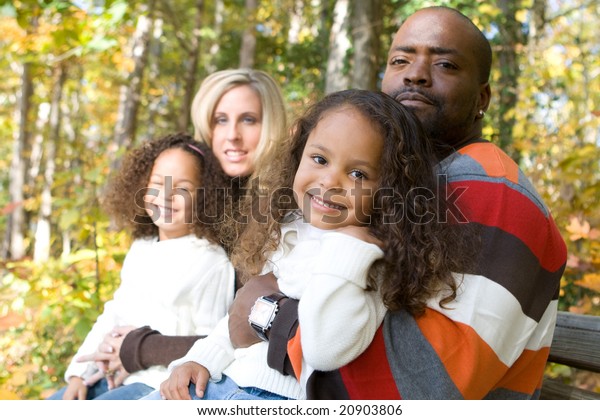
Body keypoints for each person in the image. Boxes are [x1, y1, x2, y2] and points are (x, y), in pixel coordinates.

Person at [227, 6, 568, 399]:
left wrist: (267, 315)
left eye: (445, 64)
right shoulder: (406, 184)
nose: (416, 73)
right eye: (400, 60)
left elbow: (424, 386)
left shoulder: (490, 187)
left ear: (483, 97)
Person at [148, 89, 473, 401]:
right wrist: (198, 361)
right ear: (298, 156)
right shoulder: (289, 228)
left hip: (274, 397)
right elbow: (235, 321)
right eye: (319, 159)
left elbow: (323, 350)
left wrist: (351, 247)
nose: (330, 181)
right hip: (227, 380)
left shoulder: (368, 260)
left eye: (358, 174)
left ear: (389, 192)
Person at [73, 69, 289, 392]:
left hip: (235, 382)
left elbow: (241, 331)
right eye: (220, 120)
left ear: (270, 126)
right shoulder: (197, 209)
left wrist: (140, 349)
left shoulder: (279, 209)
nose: (232, 135)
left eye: (248, 120)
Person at [48, 133, 235, 399]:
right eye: (157, 184)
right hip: (109, 377)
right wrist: (80, 374)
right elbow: (115, 312)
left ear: (205, 196)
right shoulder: (142, 248)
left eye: (182, 188)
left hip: (155, 386)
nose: (166, 196)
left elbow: (211, 341)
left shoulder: (211, 261)